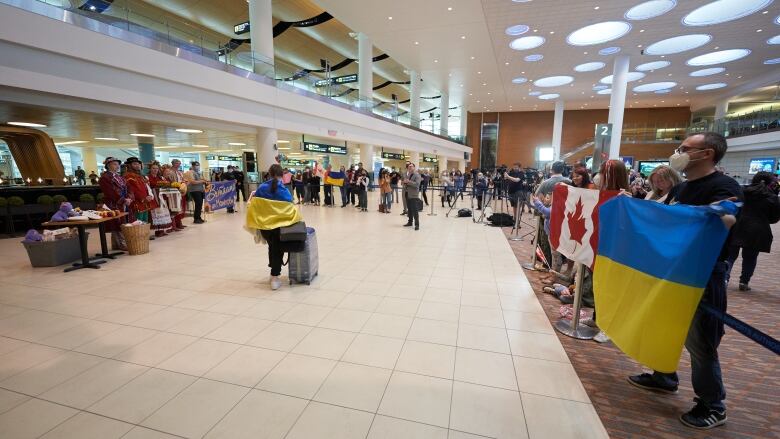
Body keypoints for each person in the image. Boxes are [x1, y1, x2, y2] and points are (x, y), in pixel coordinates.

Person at [628, 132, 742, 430]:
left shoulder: (724, 186)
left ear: (706, 153)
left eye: (685, 148)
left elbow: (727, 221)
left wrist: (712, 212)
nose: (678, 152)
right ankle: (664, 375)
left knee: (701, 341)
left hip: (703, 274)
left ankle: (712, 404)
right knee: (667, 324)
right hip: (674, 269)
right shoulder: (685, 188)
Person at [726, 171, 780, 291]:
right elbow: (774, 218)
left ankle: (725, 278)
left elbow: (732, 207)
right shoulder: (772, 197)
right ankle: (744, 282)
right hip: (758, 230)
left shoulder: (741, 190)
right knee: (750, 258)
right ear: (770, 182)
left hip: (737, 226)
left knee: (730, 256)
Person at [251, 164, 298, 290]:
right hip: (279, 226)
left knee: (272, 247)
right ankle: (274, 276)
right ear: (282, 175)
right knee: (278, 249)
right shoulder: (283, 190)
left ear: (270, 174)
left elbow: (255, 204)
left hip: (265, 226)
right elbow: (290, 204)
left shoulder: (261, 188)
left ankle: (273, 271)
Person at [98, 157, 130, 250]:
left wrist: (129, 197)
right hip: (113, 203)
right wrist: (123, 200)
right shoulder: (105, 178)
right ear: (108, 165)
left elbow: (128, 187)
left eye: (118, 164)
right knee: (117, 223)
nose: (117, 166)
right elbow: (110, 192)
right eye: (115, 164)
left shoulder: (120, 177)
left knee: (120, 222)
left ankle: (116, 244)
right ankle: (122, 243)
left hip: (122, 202)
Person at [123, 157, 157, 224]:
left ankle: (144, 234)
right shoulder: (128, 176)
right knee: (138, 222)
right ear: (129, 165)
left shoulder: (140, 176)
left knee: (145, 222)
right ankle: (138, 234)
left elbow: (146, 187)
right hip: (136, 203)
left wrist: (149, 195)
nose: (138, 165)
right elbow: (132, 190)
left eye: (138, 164)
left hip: (145, 202)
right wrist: (144, 198)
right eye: (135, 164)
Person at [147, 161, 173, 237]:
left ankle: (162, 229)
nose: (155, 170)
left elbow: (166, 185)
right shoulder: (147, 177)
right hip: (154, 197)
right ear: (150, 169)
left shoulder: (161, 177)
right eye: (153, 168)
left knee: (162, 213)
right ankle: (157, 231)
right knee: (156, 213)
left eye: (157, 168)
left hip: (161, 197)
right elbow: (149, 187)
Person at [403, 162, 422, 230]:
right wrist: (404, 182)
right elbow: (406, 183)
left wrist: (408, 182)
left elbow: (417, 185)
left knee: (415, 210)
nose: (410, 167)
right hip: (407, 194)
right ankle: (410, 222)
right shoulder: (408, 175)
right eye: (409, 166)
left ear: (414, 167)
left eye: (411, 166)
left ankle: (417, 225)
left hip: (413, 195)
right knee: (409, 209)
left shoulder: (417, 175)